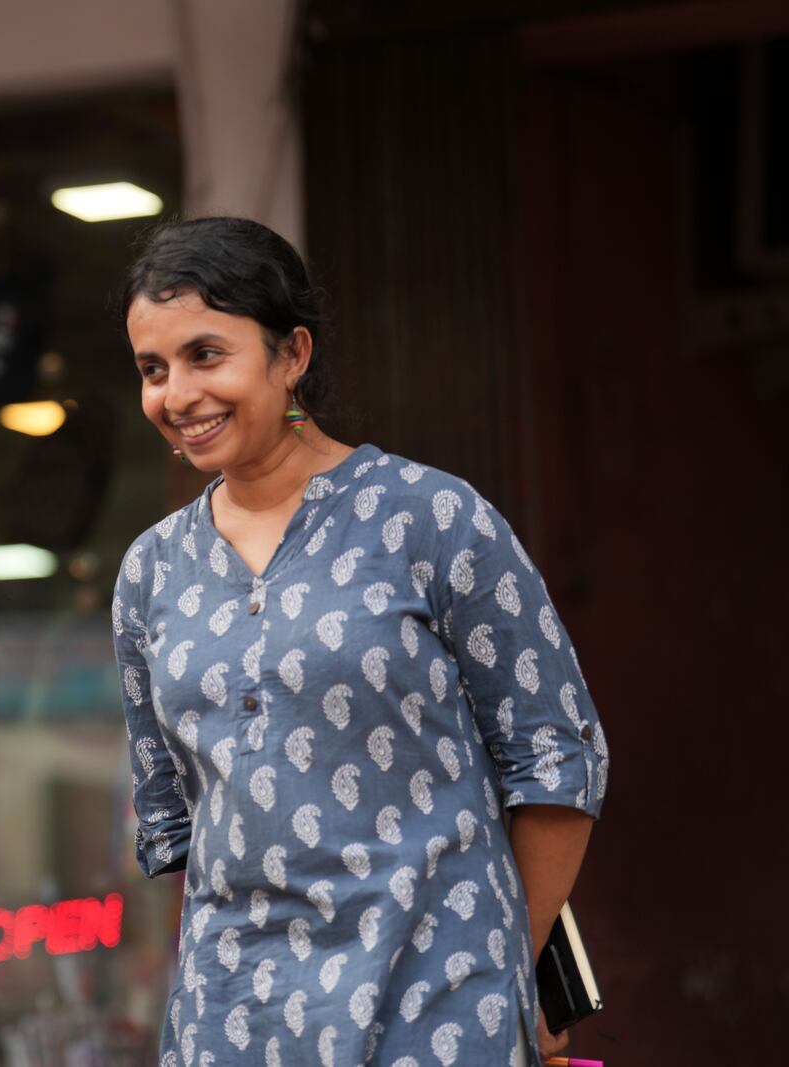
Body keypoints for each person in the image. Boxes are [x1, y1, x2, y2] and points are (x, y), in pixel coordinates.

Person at [111, 217, 606, 1066]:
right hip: (234, 1020)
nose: (176, 395)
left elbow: (557, 757)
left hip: (437, 1009)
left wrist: (500, 974)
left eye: (206, 355)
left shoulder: (432, 518)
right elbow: (180, 821)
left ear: (292, 354)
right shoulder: (152, 573)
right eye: (153, 370)